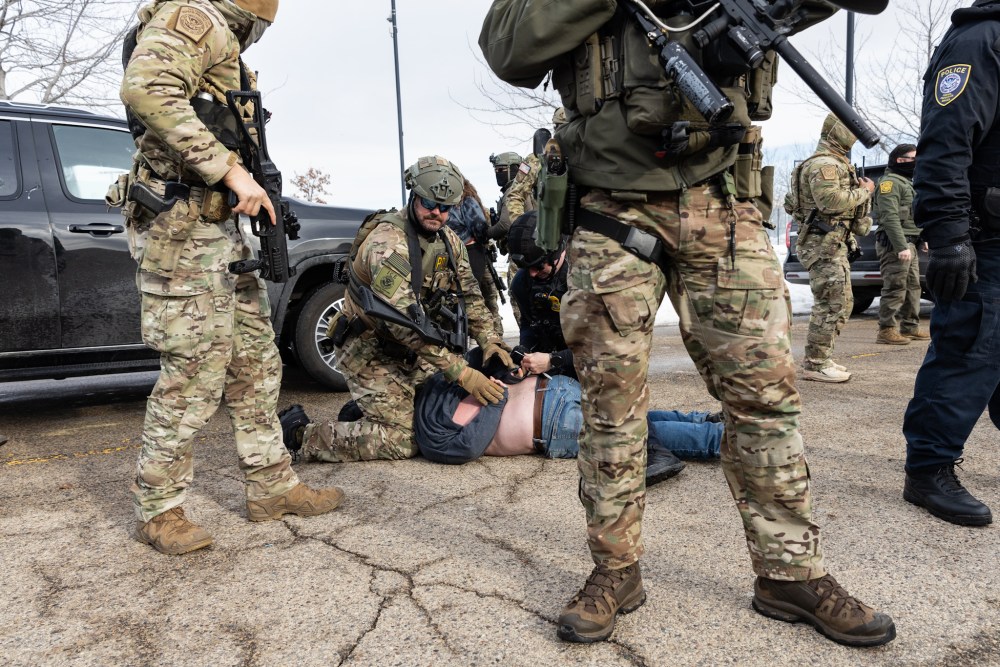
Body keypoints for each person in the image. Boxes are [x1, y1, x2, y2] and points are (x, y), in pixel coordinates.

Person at [480, 0, 895, 648]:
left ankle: (790, 573)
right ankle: (616, 570)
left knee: (764, 395)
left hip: (721, 197)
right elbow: (506, 45)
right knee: (609, 405)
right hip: (609, 208)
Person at [120, 0, 343, 556]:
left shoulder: (224, 39)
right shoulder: (195, 16)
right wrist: (232, 172)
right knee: (193, 371)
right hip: (181, 232)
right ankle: (160, 508)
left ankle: (271, 487)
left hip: (217, 233)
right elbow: (146, 88)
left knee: (257, 364)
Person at [278, 156, 513, 463]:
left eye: (446, 208)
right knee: (403, 440)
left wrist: (491, 341)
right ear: (414, 196)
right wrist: (461, 372)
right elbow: (402, 322)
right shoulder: (388, 243)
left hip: (412, 349)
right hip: (368, 347)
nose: (437, 213)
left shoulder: (449, 241)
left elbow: (470, 294)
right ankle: (299, 433)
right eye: (429, 203)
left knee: (436, 412)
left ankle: (364, 414)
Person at [901, 0, 1000, 528]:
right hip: (983, 238)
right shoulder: (981, 40)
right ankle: (929, 467)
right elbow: (945, 142)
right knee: (969, 348)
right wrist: (949, 235)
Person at [507, 211, 686, 484]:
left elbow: (603, 348)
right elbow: (530, 327)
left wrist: (553, 360)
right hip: (560, 364)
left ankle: (659, 454)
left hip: (600, 361)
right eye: (525, 267)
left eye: (539, 266)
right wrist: (525, 355)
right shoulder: (523, 282)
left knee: (615, 403)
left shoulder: (586, 278)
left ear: (558, 251)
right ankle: (705, 422)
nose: (532, 273)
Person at [788, 113, 876, 382]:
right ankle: (815, 364)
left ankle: (821, 358)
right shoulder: (824, 164)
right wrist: (866, 192)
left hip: (833, 244)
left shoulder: (834, 163)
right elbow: (830, 202)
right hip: (822, 245)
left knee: (841, 302)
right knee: (831, 303)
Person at [874, 144, 929, 345]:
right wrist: (900, 247)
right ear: (900, 160)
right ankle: (886, 330)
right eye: (913, 158)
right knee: (896, 286)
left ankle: (910, 327)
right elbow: (890, 218)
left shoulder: (907, 183)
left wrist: (921, 239)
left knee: (913, 286)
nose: (917, 162)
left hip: (910, 243)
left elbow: (912, 217)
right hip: (896, 245)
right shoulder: (890, 183)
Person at [447, 177, 505, 334]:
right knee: (478, 299)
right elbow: (480, 228)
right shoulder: (466, 200)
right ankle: (492, 337)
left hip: (448, 255)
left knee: (454, 300)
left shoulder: (443, 203)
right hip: (472, 252)